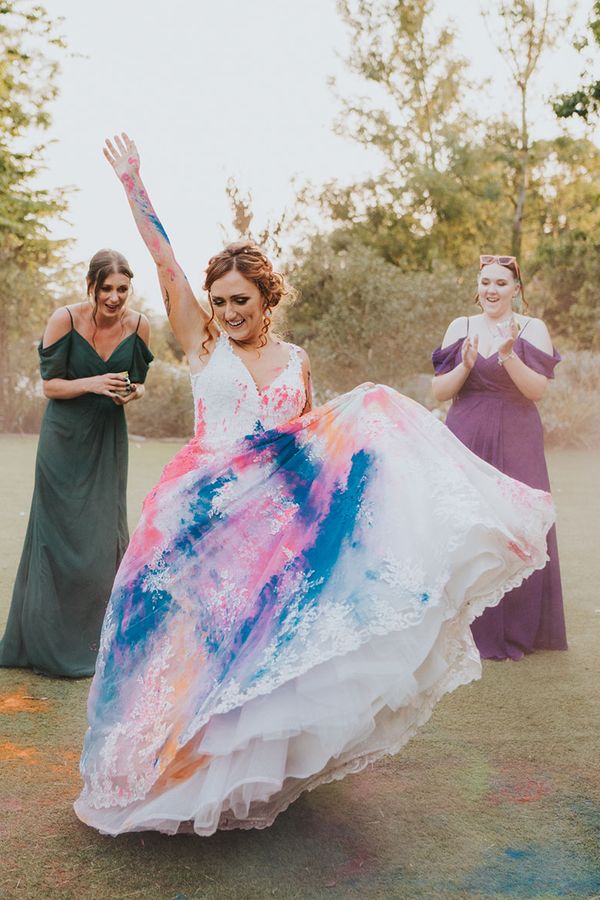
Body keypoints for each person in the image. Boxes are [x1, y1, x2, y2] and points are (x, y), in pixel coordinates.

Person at [74, 136, 555, 836]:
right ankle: (156, 768)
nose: (228, 311)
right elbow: (164, 264)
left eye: (239, 299)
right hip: (198, 512)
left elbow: (310, 443)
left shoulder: (295, 362)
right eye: (219, 300)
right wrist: (133, 184)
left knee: (254, 652)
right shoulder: (203, 343)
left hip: (271, 525)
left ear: (265, 297)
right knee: (183, 642)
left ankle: (221, 773)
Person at [0, 250, 153, 678]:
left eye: (122, 289)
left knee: (103, 535)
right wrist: (93, 383)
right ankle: (45, 640)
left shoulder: (139, 326)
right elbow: (50, 386)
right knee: (57, 534)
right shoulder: (63, 320)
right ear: (92, 286)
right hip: (63, 439)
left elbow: (139, 384)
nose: (115, 297)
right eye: (107, 288)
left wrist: (130, 394)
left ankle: (100, 639)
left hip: (107, 440)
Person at [431, 254, 567, 661]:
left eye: (501, 283)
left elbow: (536, 391)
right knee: (468, 521)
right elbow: (440, 391)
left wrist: (508, 355)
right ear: (478, 286)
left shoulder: (533, 328)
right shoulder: (462, 326)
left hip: (518, 433)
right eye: (486, 282)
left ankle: (521, 627)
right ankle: (465, 625)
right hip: (466, 430)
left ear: (516, 289)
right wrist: (467, 365)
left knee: (520, 525)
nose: (492, 290)